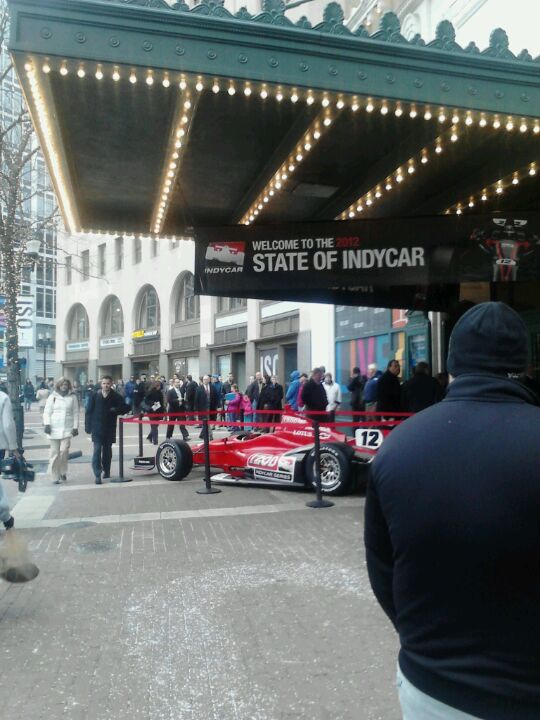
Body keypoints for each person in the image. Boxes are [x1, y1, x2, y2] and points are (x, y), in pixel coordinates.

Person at [364, 302, 540, 720]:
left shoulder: (397, 447)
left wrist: (426, 644)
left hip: (433, 687)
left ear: (453, 365)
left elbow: (383, 570)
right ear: (525, 366)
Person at [85, 376, 124, 484]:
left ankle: (106, 470)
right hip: (97, 428)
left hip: (109, 428)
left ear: (111, 384)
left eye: (108, 383)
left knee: (107, 451)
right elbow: (89, 411)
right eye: (104, 383)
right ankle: (97, 474)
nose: (106, 385)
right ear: (101, 384)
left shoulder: (116, 396)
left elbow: (125, 407)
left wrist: (116, 410)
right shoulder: (94, 395)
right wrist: (88, 426)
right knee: (97, 451)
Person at [42, 377, 79, 484]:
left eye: (66, 384)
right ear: (58, 385)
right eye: (62, 384)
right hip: (53, 428)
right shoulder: (52, 397)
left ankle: (63, 471)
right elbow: (47, 412)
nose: (64, 386)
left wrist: (75, 427)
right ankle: (55, 476)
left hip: (67, 428)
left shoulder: (72, 397)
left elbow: (75, 413)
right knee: (54, 453)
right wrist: (47, 424)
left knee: (64, 451)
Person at [0, 391, 18, 531]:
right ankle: (5, 516)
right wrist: (13, 447)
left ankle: (5, 516)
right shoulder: (3, 397)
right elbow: (8, 425)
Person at [194, 374, 218, 439]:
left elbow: (216, 397)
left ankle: (202, 435)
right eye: (204, 379)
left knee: (207, 422)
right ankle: (210, 435)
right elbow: (196, 399)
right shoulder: (199, 388)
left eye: (206, 379)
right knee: (207, 421)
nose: (205, 381)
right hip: (202, 408)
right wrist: (196, 409)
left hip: (211, 408)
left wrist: (218, 406)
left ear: (209, 380)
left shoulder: (213, 387)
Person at [143, 380, 165, 445]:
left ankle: (150, 436)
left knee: (155, 425)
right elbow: (146, 400)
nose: (159, 387)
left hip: (158, 411)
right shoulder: (151, 392)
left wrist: (163, 410)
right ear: (156, 386)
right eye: (159, 386)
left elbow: (161, 402)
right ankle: (155, 441)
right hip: (152, 411)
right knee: (154, 426)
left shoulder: (160, 392)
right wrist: (153, 403)